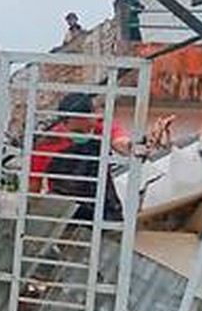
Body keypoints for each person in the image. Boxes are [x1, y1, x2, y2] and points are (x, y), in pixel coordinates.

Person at [28, 92, 132, 221]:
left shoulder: (102, 126)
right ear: (63, 124)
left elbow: (120, 142)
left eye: (89, 128)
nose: (85, 134)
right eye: (77, 131)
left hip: (104, 208)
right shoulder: (46, 144)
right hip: (64, 213)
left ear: (94, 115)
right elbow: (33, 188)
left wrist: (132, 147)